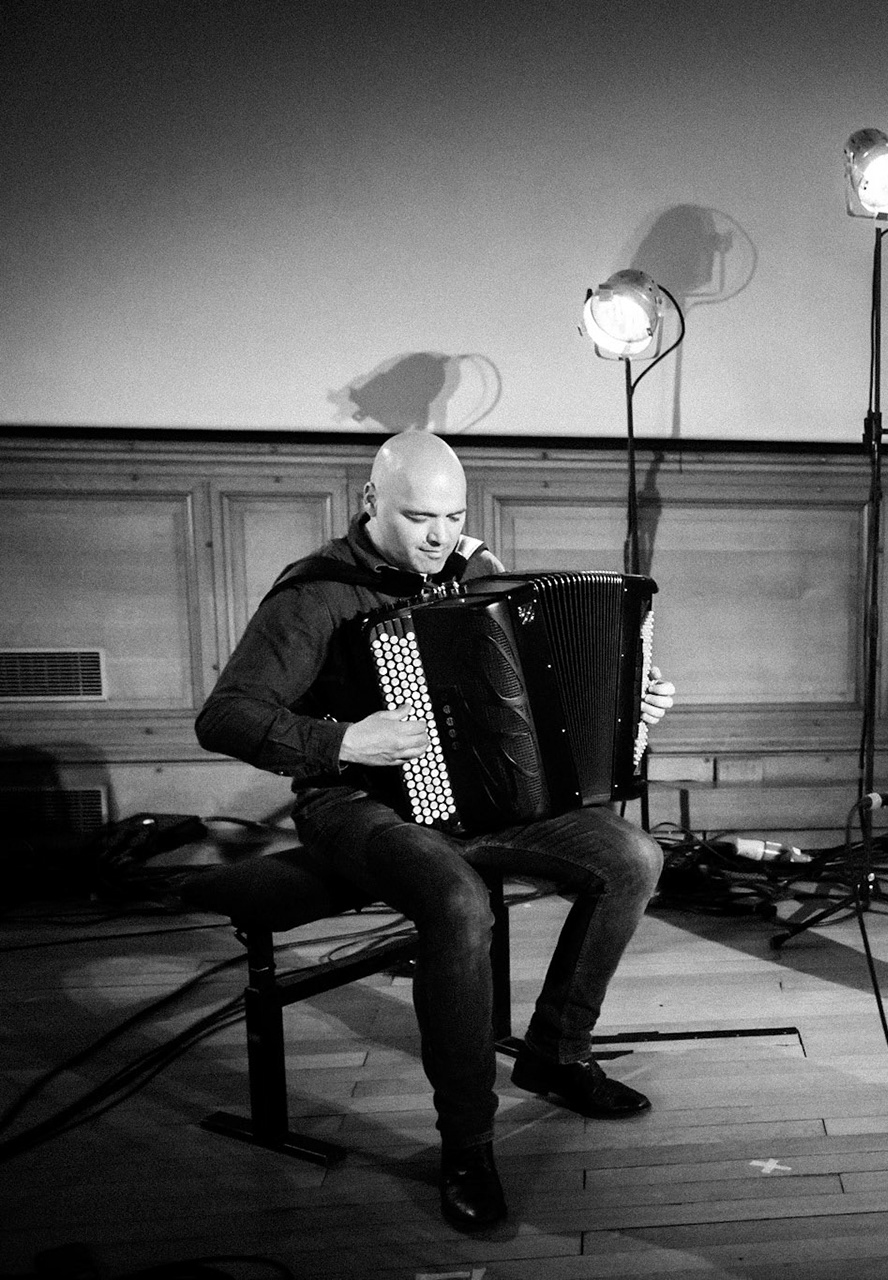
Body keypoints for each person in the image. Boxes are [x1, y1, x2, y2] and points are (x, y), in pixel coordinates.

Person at [195, 430, 675, 1230]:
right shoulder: (315, 594)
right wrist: (345, 740)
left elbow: (539, 693)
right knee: (457, 905)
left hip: (481, 800)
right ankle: (467, 1142)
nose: (439, 536)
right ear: (369, 504)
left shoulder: (477, 574)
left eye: (452, 516)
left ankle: (557, 1055)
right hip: (355, 804)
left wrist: (634, 701)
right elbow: (225, 717)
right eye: (419, 516)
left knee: (632, 856)